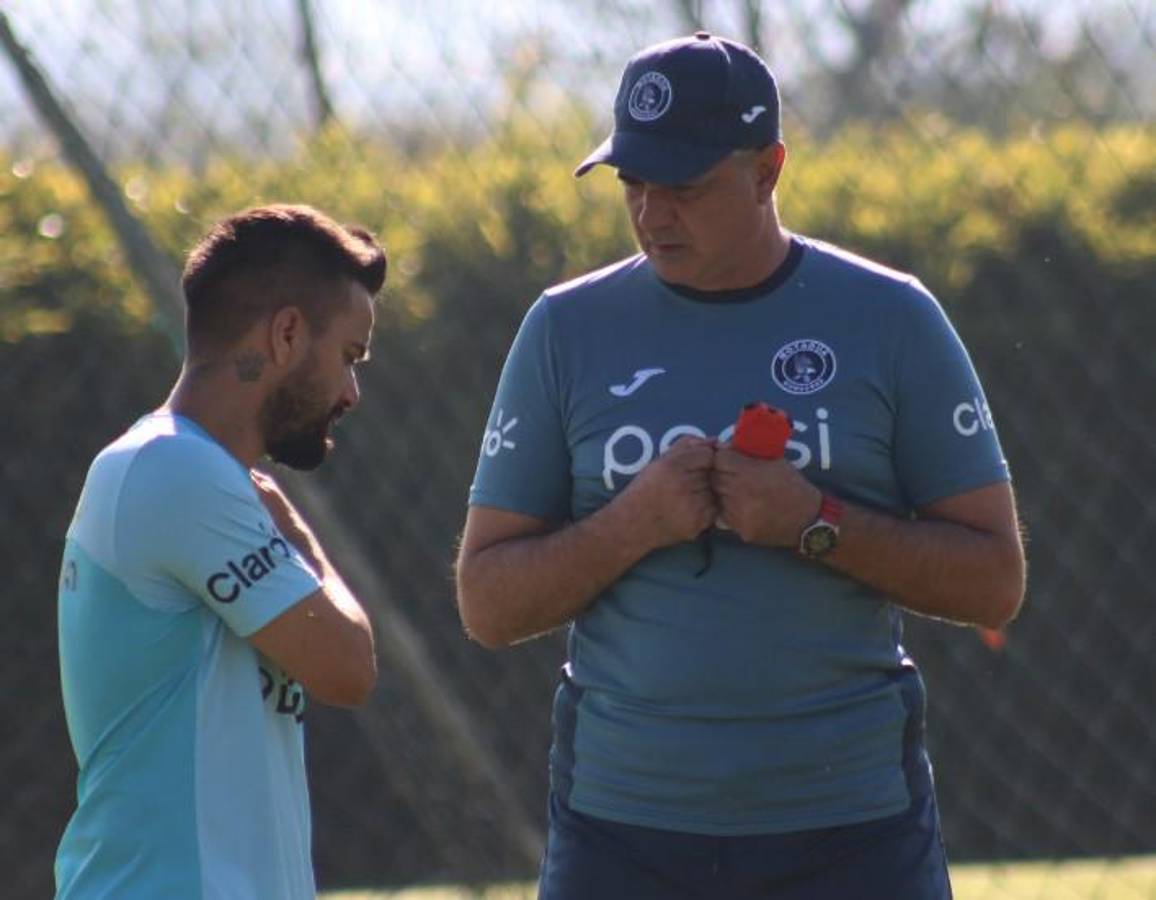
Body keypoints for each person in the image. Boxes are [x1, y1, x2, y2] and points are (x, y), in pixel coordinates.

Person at [456, 32, 1025, 900]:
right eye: (632, 184)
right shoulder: (564, 330)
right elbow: (487, 604)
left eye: (683, 186)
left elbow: (994, 581)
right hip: (623, 830)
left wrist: (814, 525)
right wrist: (633, 523)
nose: (652, 214)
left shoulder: (892, 318)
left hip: (851, 830)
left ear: (768, 171)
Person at [55, 204, 386, 899]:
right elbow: (347, 667)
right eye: (349, 357)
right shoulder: (176, 471)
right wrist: (300, 541)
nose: (351, 393)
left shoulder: (183, 471)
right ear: (288, 333)